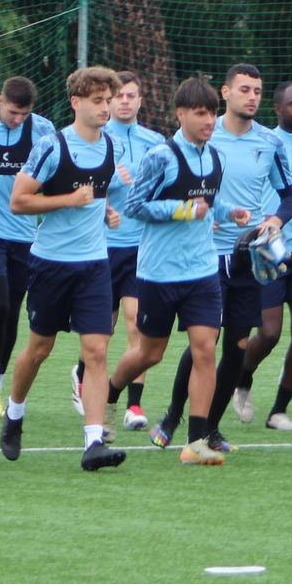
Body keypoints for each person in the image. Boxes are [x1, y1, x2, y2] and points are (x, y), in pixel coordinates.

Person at [106, 77, 251, 466]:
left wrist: (229, 212)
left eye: (212, 113)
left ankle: (197, 441)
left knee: (206, 349)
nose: (208, 120)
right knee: (150, 353)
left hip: (202, 272)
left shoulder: (215, 157)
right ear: (181, 114)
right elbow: (136, 205)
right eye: (201, 113)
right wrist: (182, 210)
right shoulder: (161, 156)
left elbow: (209, 204)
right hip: (158, 273)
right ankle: (108, 392)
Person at [154, 63, 292, 451]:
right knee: (204, 342)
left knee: (237, 344)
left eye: (258, 91)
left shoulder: (269, 143)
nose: (252, 96)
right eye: (245, 89)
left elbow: (290, 197)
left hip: (249, 258)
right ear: (225, 93)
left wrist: (275, 221)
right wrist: (200, 216)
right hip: (204, 257)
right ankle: (173, 414)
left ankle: (210, 428)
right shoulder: (203, 140)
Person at [0, 66, 128, 472]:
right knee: (39, 349)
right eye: (98, 101)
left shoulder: (113, 148)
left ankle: (93, 443)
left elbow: (96, 196)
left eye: (109, 100)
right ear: (76, 103)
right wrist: (69, 201)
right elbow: (19, 201)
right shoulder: (52, 147)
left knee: (96, 349)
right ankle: (14, 413)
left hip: (93, 264)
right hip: (50, 264)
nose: (106, 108)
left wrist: (104, 211)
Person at [237, 82, 292, 432]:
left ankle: (278, 410)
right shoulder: (264, 144)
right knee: (270, 332)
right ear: (277, 109)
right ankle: (242, 377)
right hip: (270, 249)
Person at [74, 70, 162, 431]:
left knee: (136, 324)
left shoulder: (156, 142)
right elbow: (76, 189)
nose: (124, 101)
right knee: (102, 330)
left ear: (141, 100)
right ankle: (81, 376)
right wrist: (110, 180)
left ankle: (134, 406)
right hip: (102, 248)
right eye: (119, 96)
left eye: (131, 96)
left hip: (142, 247)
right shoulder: (95, 139)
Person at [0, 76, 56, 419]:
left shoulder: (43, 131)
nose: (18, 119)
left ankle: (0, 376)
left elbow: (55, 174)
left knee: (11, 312)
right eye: (12, 112)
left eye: (24, 113)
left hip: (27, 238)